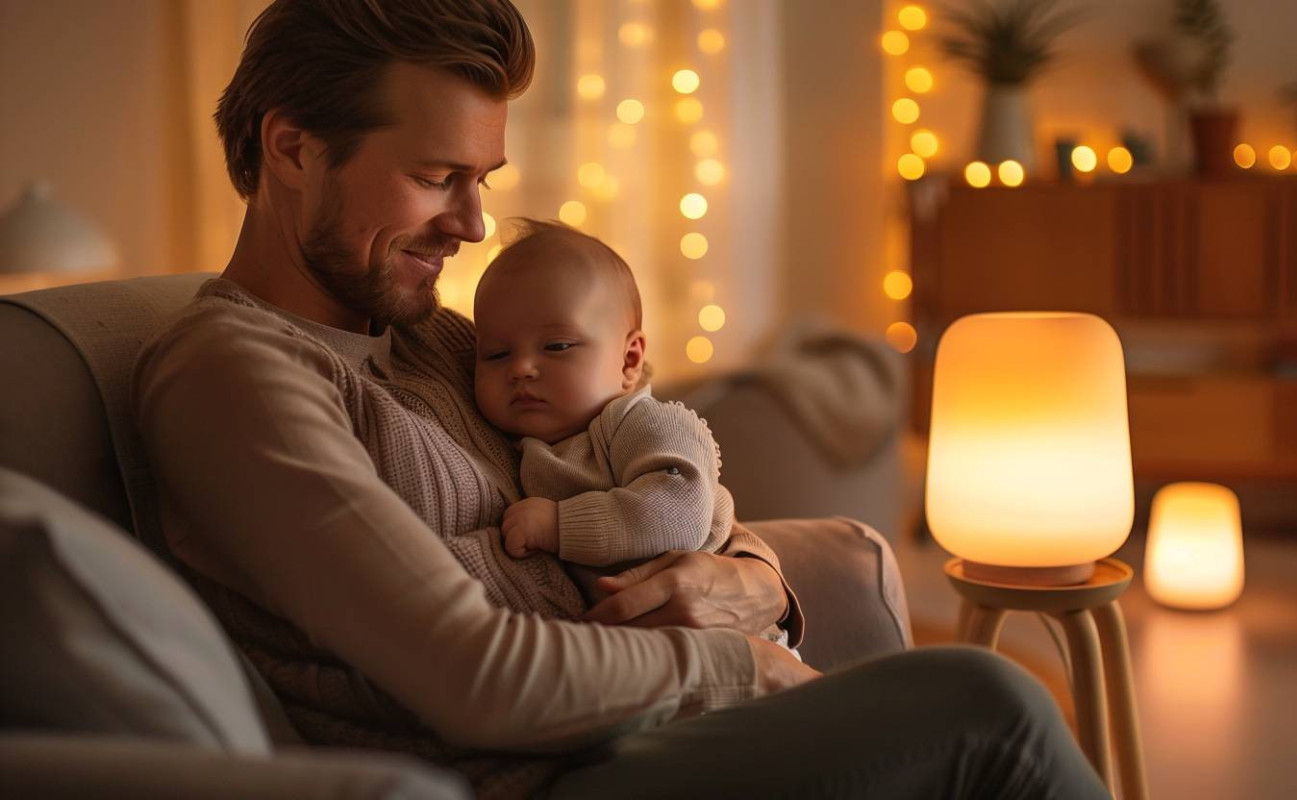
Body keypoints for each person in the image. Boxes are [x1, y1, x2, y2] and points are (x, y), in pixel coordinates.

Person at [131, 1, 1111, 797]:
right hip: (527, 771)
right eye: (437, 178)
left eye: (483, 180)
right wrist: (745, 664)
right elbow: (475, 676)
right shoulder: (237, 376)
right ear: (293, 148)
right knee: (986, 700)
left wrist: (755, 573)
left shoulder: (423, 331)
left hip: (625, 726)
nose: (473, 224)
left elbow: (636, 455)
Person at [471, 220, 792, 650]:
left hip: (733, 645)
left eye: (557, 346)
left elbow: (680, 512)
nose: (521, 368)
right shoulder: (522, 440)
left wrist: (559, 525)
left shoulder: (642, 422)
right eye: (496, 353)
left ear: (629, 359)